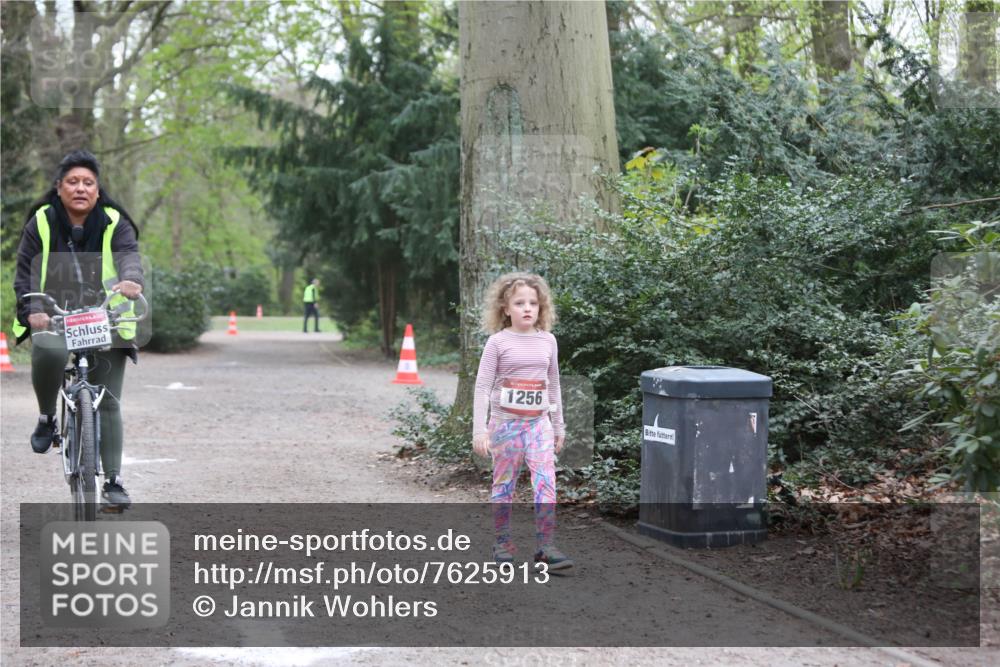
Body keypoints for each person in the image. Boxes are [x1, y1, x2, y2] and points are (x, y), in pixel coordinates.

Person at [13, 149, 144, 510]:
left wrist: (131, 280)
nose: (81, 188)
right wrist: (32, 308)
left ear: (98, 191)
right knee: (50, 352)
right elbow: (24, 271)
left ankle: (114, 482)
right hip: (54, 314)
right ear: (59, 188)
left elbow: (129, 256)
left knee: (109, 400)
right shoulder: (41, 221)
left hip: (105, 317)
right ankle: (46, 417)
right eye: (73, 182)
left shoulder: (115, 221)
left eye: (89, 183)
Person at [472, 272, 573, 570]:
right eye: (519, 303)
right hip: (505, 427)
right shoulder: (497, 343)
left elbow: (553, 384)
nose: (527, 308)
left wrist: (559, 425)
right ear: (505, 308)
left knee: (546, 482)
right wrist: (480, 430)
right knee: (504, 485)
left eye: (533, 303)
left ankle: (545, 547)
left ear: (541, 307)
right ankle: (502, 543)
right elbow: (482, 387)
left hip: (538, 425)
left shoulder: (548, 341)